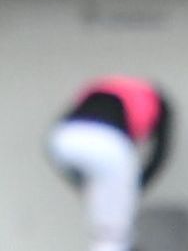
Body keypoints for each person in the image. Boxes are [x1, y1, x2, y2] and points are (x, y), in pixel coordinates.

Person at [47, 77, 171, 251]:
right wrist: (133, 190)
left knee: (103, 219)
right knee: (115, 232)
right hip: (107, 144)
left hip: (62, 139)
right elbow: (159, 154)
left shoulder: (104, 87)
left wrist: (84, 185)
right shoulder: (158, 103)